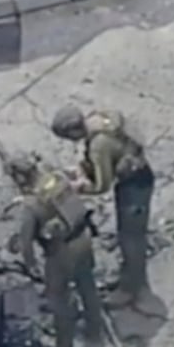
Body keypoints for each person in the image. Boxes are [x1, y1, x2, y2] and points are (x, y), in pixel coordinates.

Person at [51, 106, 155, 309]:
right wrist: (82, 169)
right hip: (140, 176)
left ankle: (131, 289)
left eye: (68, 136)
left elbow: (101, 185)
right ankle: (130, 279)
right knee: (129, 237)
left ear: (74, 130)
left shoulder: (99, 145)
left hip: (134, 189)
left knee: (131, 239)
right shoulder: (99, 120)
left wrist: (75, 187)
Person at [8, 157, 103, 347]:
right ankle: (96, 331)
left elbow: (26, 241)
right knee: (87, 285)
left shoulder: (30, 206)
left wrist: (31, 265)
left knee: (59, 299)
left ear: (20, 178)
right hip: (83, 238)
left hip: (61, 253)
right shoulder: (56, 178)